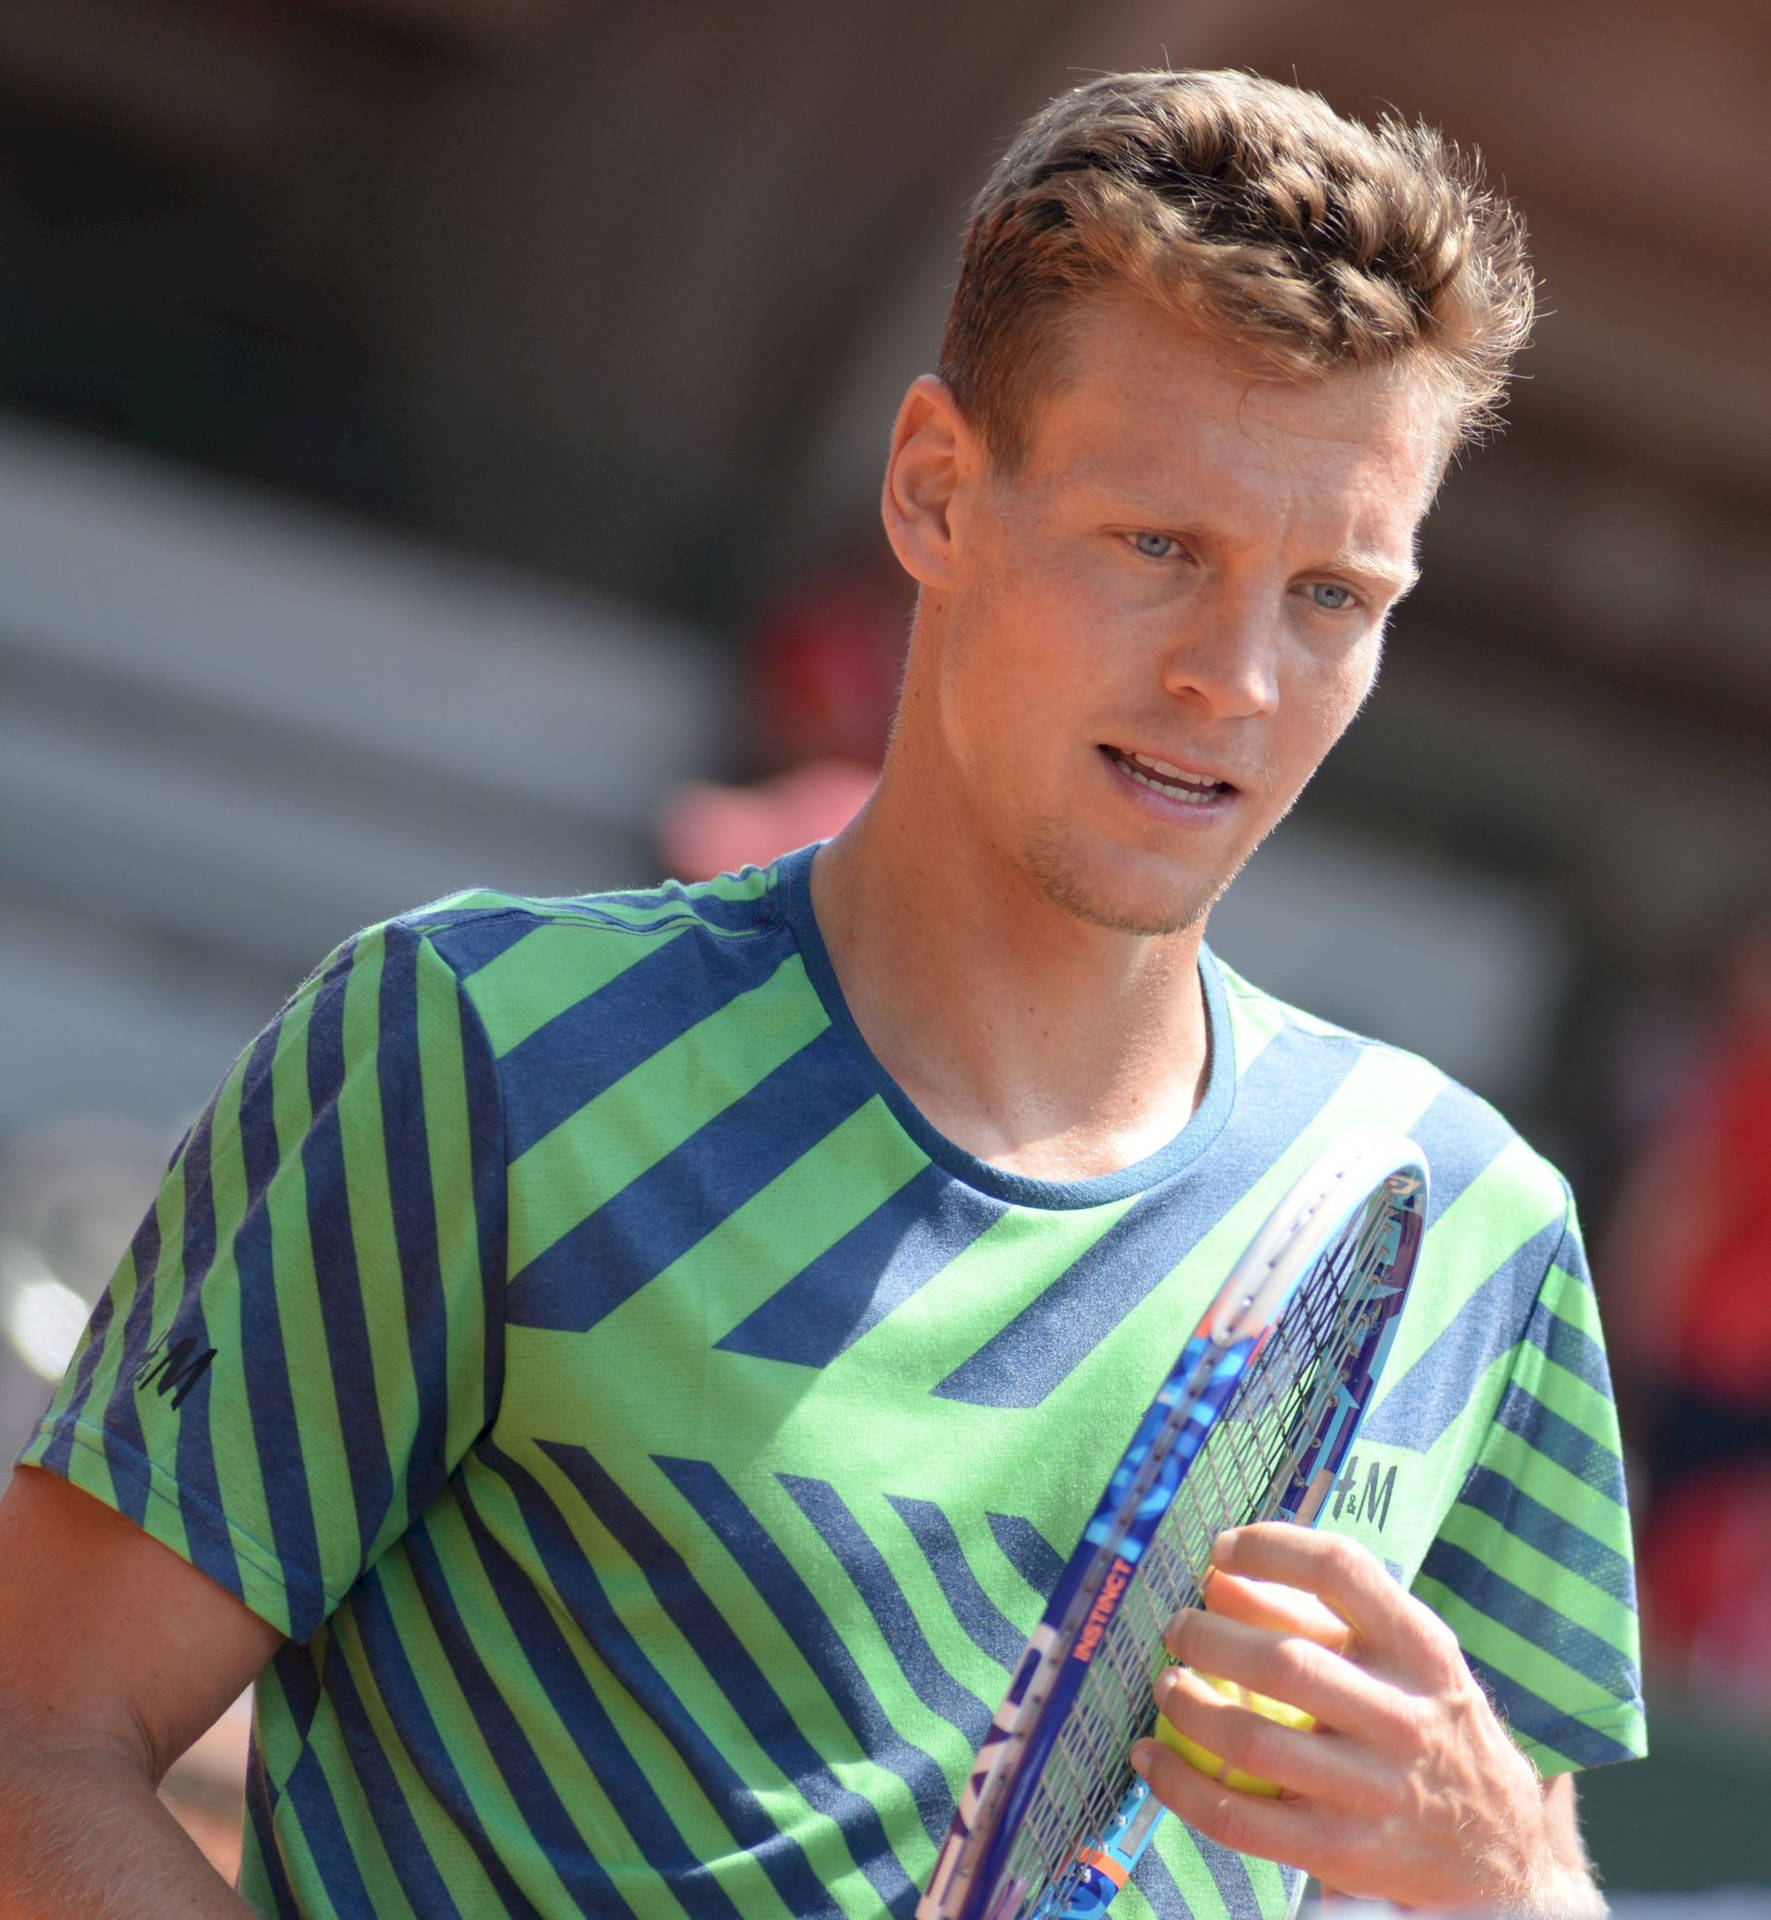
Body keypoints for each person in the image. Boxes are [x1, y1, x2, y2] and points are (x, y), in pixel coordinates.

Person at [0, 68, 1643, 1920]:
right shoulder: (470, 1056)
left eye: (1335, 596)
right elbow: (36, 1741)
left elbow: (1503, 1889)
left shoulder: (1474, 1228)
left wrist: (1505, 1872)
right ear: (939, 488)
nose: (1237, 679)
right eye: (1159, 547)